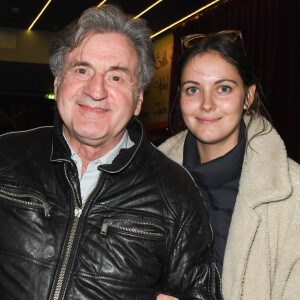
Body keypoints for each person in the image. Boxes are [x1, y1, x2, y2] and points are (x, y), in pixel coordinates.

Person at [0, 5, 222, 300]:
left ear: (139, 98)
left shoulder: (177, 194)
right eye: (82, 70)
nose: (96, 90)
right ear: (57, 82)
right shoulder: (6, 158)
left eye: (116, 77)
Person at [158, 30, 300, 299]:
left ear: (248, 97)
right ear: (180, 98)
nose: (207, 104)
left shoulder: (293, 194)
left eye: (223, 88)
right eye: (193, 89)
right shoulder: (149, 179)